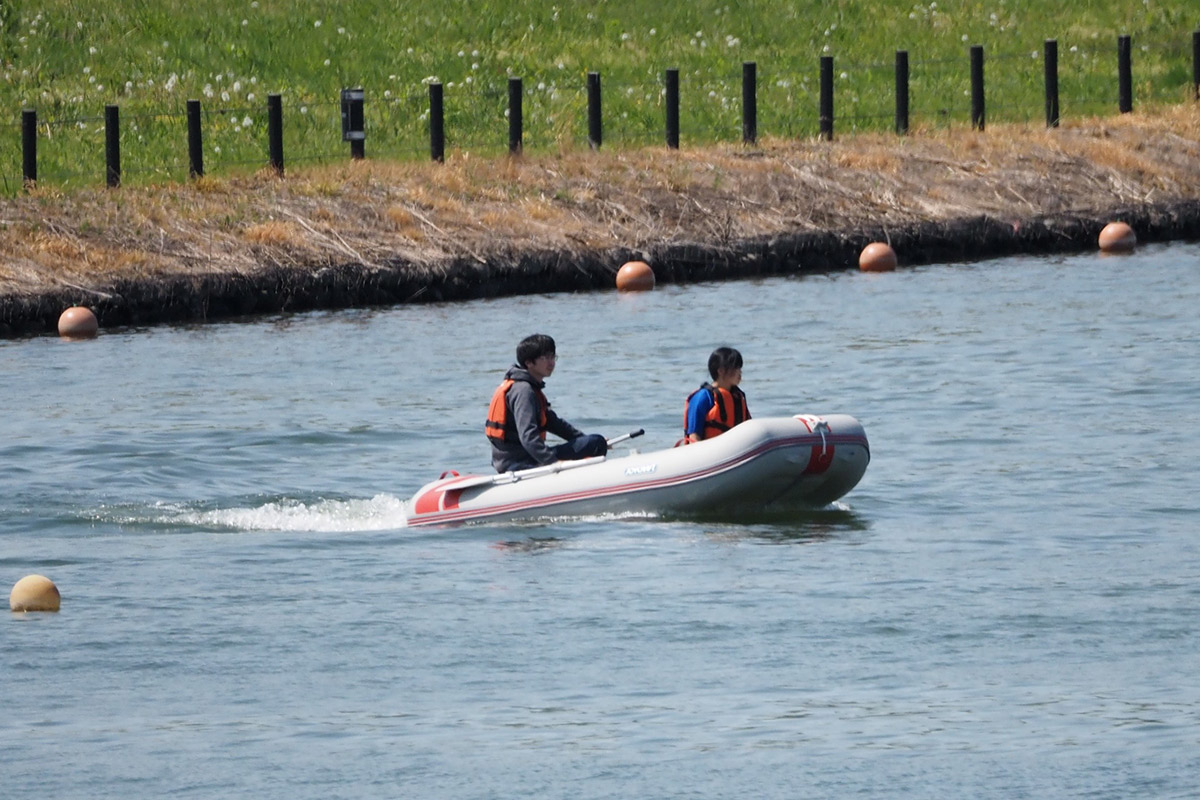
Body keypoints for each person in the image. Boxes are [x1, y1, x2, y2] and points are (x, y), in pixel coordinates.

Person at [486, 334, 608, 473]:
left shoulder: (531, 388)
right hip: (520, 463)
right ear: (529, 362)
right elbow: (528, 437)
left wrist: (584, 438)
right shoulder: (524, 391)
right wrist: (554, 463)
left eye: (552, 357)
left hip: (517, 459)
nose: (551, 363)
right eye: (545, 358)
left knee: (594, 442)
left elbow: (554, 424)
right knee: (595, 443)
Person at [683, 347, 751, 443]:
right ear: (721, 371)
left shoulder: (738, 397)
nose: (740, 372)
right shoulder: (703, 397)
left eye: (740, 368)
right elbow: (694, 436)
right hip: (709, 454)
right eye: (735, 368)